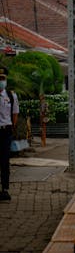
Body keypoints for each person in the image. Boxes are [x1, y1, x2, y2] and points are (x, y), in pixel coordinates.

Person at [0, 67, 19, 201]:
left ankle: (5, 189)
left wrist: (12, 128)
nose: (1, 81)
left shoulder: (11, 96)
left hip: (6, 131)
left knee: (5, 162)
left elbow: (15, 114)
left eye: (3, 78)